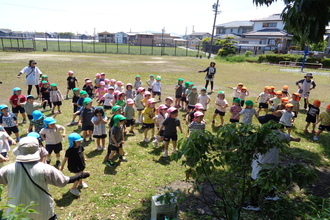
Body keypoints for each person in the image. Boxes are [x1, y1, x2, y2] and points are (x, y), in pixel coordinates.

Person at [0, 136, 90, 220]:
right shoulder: (45, 169)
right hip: (43, 211)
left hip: (16, 212)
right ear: (38, 150)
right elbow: (63, 181)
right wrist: (81, 175)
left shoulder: (7, 169)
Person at [243, 131, 301, 211]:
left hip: (261, 163)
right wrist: (295, 139)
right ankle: (271, 194)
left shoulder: (261, 135)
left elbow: (249, 146)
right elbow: (288, 137)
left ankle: (254, 204)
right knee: (270, 177)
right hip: (272, 162)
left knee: (255, 181)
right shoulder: (278, 133)